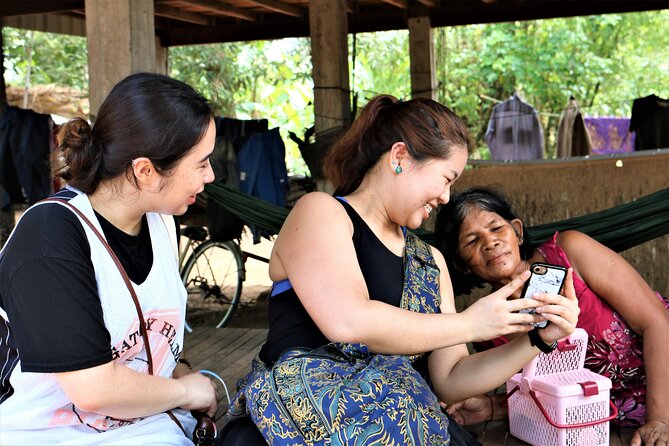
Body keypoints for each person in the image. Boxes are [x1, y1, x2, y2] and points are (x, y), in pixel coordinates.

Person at [228, 95, 580, 445]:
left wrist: (536, 339)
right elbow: (348, 320)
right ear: (399, 157)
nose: (445, 197)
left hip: (396, 421)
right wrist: (473, 322)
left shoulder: (430, 261)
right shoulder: (320, 213)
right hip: (295, 423)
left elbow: (451, 378)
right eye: (446, 178)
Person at [0, 73, 218, 445]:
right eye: (201, 164)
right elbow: (94, 388)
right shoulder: (51, 235)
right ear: (146, 171)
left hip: (144, 426)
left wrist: (178, 370)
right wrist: (188, 393)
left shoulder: (161, 223)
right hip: (45, 434)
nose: (211, 175)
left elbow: (146, 337)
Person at [436, 187, 669, 446]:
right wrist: (493, 407)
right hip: (617, 421)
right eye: (472, 241)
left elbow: (657, 322)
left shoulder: (570, 251)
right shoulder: (490, 329)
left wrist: (660, 420)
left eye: (496, 228)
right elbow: (550, 396)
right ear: (461, 264)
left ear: (517, 231)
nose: (490, 243)